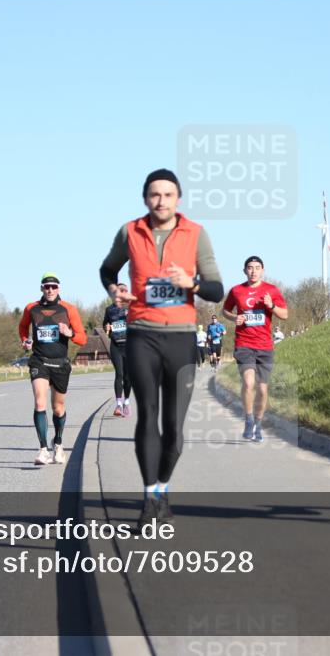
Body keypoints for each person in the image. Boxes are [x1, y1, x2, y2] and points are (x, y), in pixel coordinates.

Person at [99, 168, 223, 532]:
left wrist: (192, 283)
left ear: (178, 199)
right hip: (141, 335)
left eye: (168, 195)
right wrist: (114, 290)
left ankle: (164, 487)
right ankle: (150, 496)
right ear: (145, 198)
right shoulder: (130, 232)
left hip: (182, 338)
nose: (161, 201)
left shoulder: (196, 234)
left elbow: (217, 290)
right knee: (147, 413)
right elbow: (107, 268)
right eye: (155, 195)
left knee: (174, 425)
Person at [18, 272, 88, 465]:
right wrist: (25, 341)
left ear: (59, 289)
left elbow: (83, 339)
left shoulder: (69, 309)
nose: (50, 290)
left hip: (60, 363)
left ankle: (58, 443)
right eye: (46, 286)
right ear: (41, 288)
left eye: (53, 287)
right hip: (39, 361)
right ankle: (43, 450)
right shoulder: (31, 308)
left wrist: (70, 332)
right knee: (40, 402)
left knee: (58, 408)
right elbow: (23, 328)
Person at [222, 256, 288, 442]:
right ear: (244, 270)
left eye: (257, 268)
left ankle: (258, 424)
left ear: (263, 270)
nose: (253, 271)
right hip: (244, 343)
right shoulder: (236, 290)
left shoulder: (271, 290)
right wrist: (234, 318)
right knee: (249, 383)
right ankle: (249, 419)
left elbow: (285, 314)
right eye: (250, 268)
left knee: (262, 389)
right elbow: (225, 310)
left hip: (265, 346)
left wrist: (271, 306)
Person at [103, 283, 132, 417]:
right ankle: (118, 405)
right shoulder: (109, 309)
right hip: (115, 345)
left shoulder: (132, 307)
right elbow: (105, 324)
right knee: (119, 374)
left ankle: (126, 401)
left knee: (127, 377)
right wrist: (106, 327)